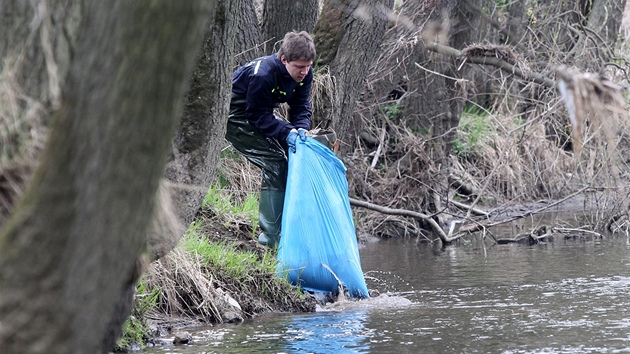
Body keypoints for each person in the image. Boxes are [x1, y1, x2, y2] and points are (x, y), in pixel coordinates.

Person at [225, 31, 316, 248]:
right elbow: (256, 115)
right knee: (275, 163)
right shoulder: (262, 74)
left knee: (292, 154)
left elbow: (301, 105)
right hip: (234, 116)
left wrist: (301, 128)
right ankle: (270, 239)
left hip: (260, 113)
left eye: (308, 66)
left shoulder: (306, 73)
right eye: (299, 67)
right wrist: (286, 131)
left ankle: (291, 230)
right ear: (284, 60)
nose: (304, 72)